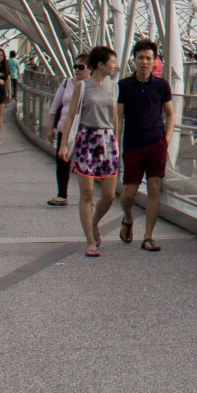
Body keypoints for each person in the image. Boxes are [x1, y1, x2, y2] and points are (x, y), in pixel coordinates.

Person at [59, 45, 121, 257]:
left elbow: (115, 117)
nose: (115, 66)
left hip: (107, 140)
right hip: (87, 139)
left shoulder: (114, 86)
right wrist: (64, 145)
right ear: (100, 64)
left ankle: (94, 222)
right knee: (87, 193)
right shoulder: (82, 86)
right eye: (112, 62)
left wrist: (117, 142)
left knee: (110, 195)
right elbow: (70, 116)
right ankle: (90, 241)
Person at [116, 38, 175, 252]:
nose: (144, 62)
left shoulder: (161, 86)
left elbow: (170, 115)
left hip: (155, 143)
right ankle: (128, 217)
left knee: (154, 189)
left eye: (148, 58)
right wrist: (116, 142)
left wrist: (165, 141)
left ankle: (148, 236)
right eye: (140, 57)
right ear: (134, 60)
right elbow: (119, 117)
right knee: (128, 193)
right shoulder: (124, 86)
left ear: (154, 61)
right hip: (133, 144)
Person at [44, 56, 86, 206]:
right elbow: (54, 107)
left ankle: (86, 196)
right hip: (65, 129)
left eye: (81, 67)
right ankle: (62, 194)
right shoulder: (66, 83)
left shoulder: (90, 86)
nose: (77, 70)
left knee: (84, 163)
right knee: (62, 161)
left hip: (83, 131)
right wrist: (50, 128)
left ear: (90, 69)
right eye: (75, 66)